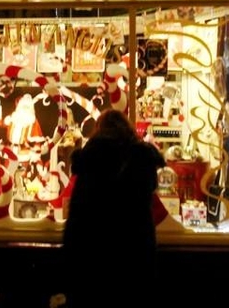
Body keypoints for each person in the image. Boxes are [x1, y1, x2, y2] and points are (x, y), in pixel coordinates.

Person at [61, 108, 166, 306]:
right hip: (133, 251)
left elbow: (78, 213)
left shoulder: (90, 159)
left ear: (99, 130)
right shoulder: (142, 157)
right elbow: (148, 198)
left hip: (93, 252)